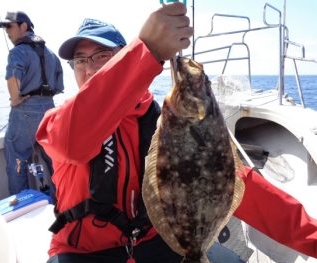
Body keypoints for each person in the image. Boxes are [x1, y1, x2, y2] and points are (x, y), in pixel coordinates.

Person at [36, 3, 317, 263]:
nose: (90, 68)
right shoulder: (60, 122)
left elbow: (233, 182)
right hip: (82, 253)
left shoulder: (162, 122)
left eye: (102, 56)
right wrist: (148, 50)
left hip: (156, 243)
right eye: (80, 61)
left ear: (121, 59)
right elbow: (70, 141)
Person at [0, 11, 64, 201]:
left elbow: (13, 78)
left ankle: (22, 206)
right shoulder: (51, 54)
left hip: (25, 111)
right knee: (54, 161)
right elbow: (59, 87)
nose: (7, 31)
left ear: (24, 26)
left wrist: (15, 99)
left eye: (9, 26)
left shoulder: (18, 51)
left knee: (17, 159)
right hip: (50, 110)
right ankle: (61, 205)